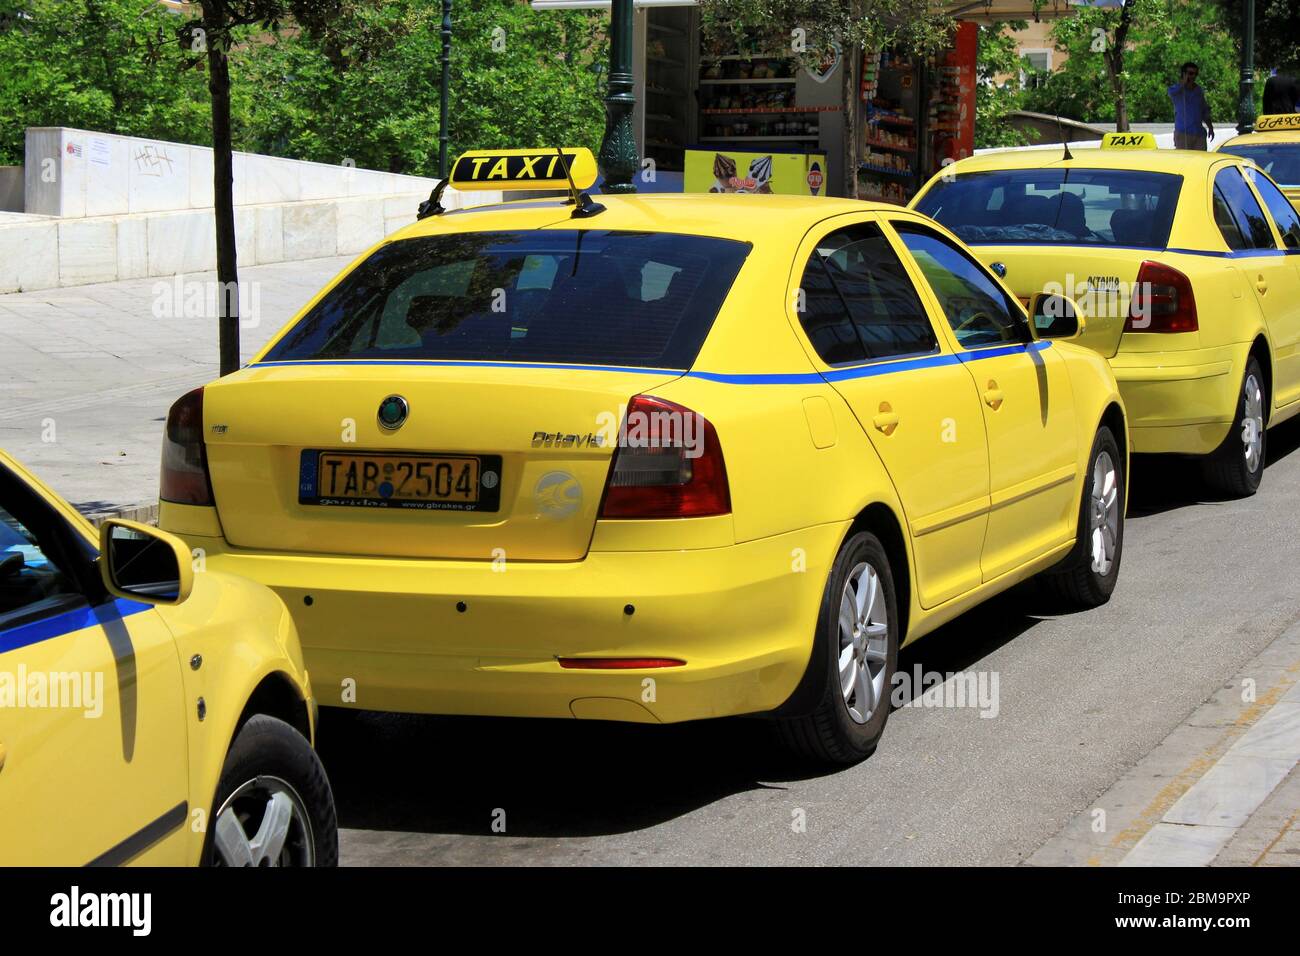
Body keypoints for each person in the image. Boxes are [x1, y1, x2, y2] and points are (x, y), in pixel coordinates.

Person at [1168, 62, 1213, 150]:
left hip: (1199, 133)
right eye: (1190, 73)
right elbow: (1171, 92)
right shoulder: (1177, 90)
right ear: (1184, 74)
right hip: (1183, 133)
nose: (1193, 76)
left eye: (1195, 74)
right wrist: (1183, 83)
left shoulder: (1198, 90)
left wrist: (1210, 126)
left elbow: (1204, 110)